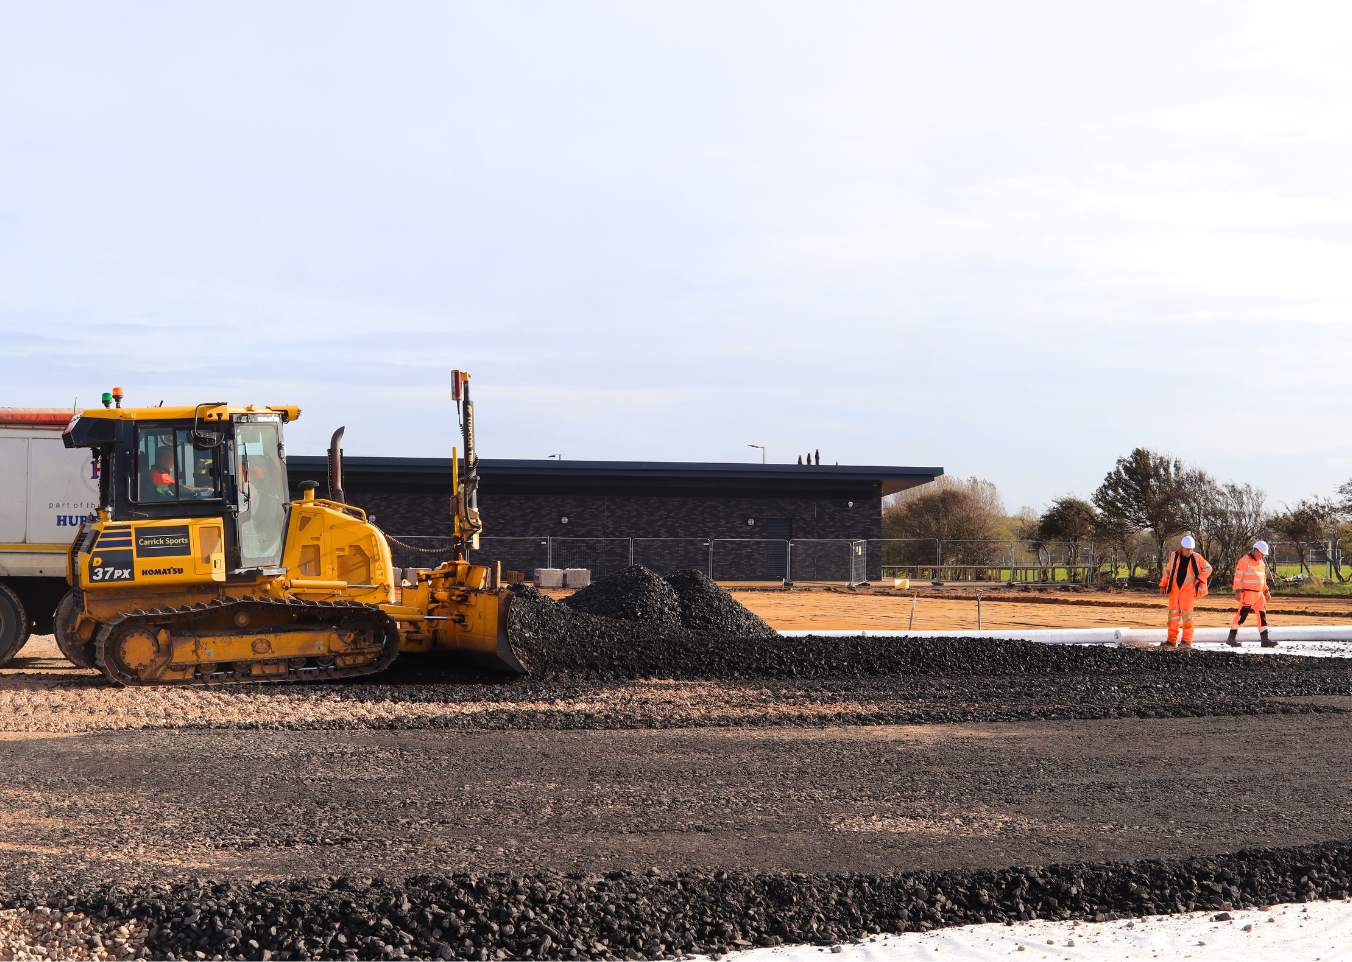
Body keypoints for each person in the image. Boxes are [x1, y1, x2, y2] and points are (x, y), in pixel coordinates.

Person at [1158, 535, 1212, 648]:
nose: (1189, 551)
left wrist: (1200, 578)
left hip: (1188, 593)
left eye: (1191, 549)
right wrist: (1163, 584)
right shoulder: (1174, 556)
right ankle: (1171, 641)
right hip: (1174, 591)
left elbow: (1208, 568)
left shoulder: (1197, 557)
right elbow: (1167, 571)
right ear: (1182, 547)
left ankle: (1186, 642)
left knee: (1187, 618)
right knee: (1172, 618)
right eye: (1188, 549)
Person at [1227, 540, 1275, 648]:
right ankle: (1231, 638)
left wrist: (1266, 591)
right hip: (1247, 594)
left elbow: (1263, 580)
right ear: (1255, 550)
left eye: (1263, 554)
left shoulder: (1261, 563)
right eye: (1261, 553)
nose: (1263, 556)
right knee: (1241, 616)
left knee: (1262, 616)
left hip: (1259, 595)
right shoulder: (1244, 561)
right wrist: (1238, 590)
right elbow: (1238, 577)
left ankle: (1265, 640)